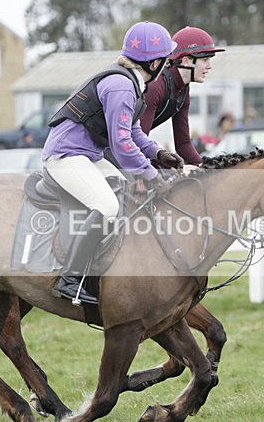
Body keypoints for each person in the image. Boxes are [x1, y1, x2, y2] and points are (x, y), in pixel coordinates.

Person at [41, 21, 183, 305]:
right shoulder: (121, 86)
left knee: (126, 193)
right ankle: (69, 278)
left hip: (87, 156)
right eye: (166, 60)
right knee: (107, 206)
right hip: (66, 157)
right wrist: (151, 174)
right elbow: (121, 145)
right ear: (154, 62)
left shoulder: (130, 83)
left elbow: (132, 132)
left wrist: (156, 153)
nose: (167, 65)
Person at [139, 26, 225, 166]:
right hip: (106, 147)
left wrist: (207, 170)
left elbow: (183, 144)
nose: (209, 66)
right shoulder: (156, 86)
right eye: (205, 60)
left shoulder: (183, 90)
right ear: (185, 61)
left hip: (128, 148)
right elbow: (137, 142)